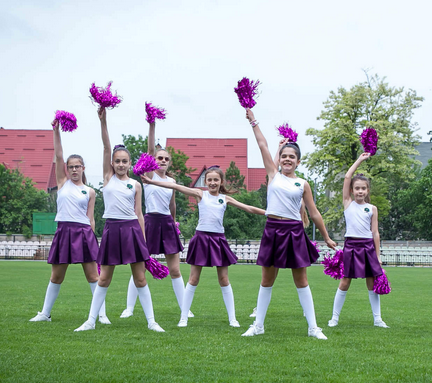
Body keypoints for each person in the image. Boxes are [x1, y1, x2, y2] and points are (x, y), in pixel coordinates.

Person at [241, 108, 337, 339]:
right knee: (266, 280)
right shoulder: (273, 175)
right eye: (284, 155)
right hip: (273, 230)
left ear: (298, 161)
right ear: (280, 158)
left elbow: (314, 213)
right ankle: (259, 326)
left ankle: (313, 328)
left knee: (301, 280)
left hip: (294, 232)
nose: (287, 159)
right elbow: (263, 145)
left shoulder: (303, 184)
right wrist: (254, 121)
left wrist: (326, 236)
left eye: (291, 157)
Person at [74, 107, 164, 332]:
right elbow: (106, 146)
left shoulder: (135, 184)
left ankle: (152, 322)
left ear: (130, 163)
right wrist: (103, 122)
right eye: (117, 161)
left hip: (133, 231)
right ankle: (91, 321)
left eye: (125, 161)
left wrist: (143, 241)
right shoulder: (108, 178)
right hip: (112, 230)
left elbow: (139, 214)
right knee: (103, 279)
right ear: (112, 163)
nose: (121, 164)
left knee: (140, 279)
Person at [143, 166, 265, 327]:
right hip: (201, 238)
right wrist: (152, 182)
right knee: (193, 279)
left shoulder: (225, 199)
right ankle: (183, 317)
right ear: (205, 182)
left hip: (219, 240)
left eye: (216, 180)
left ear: (221, 182)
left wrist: (268, 213)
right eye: (209, 180)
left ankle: (232, 318)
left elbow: (248, 208)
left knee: (224, 279)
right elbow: (175, 186)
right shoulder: (200, 194)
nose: (213, 183)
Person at [30, 118, 109, 324]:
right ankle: (45, 314)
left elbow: (90, 219)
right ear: (67, 168)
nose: (74, 170)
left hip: (83, 233)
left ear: (83, 168)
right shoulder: (62, 183)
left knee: (93, 276)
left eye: (78, 166)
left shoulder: (90, 191)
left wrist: (93, 241)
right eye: (71, 166)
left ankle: (101, 315)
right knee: (56, 276)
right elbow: (58, 155)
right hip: (64, 232)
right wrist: (56, 131)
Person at [120, 114, 193, 320]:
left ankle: (184, 308)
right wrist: (152, 125)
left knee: (176, 270)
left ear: (170, 163)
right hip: (150, 222)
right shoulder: (149, 176)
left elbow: (172, 205)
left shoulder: (172, 180)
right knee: (140, 266)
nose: (162, 160)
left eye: (166, 159)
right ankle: (129, 308)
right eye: (159, 158)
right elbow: (150, 150)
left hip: (167, 224)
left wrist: (175, 224)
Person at [327, 152, 388, 328]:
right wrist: (360, 160)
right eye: (357, 188)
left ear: (367, 190)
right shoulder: (348, 203)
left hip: (368, 247)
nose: (360, 191)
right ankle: (334, 318)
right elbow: (347, 177)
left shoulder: (372, 208)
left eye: (363, 188)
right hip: (351, 246)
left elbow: (375, 233)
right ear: (352, 191)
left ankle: (377, 319)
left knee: (371, 283)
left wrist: (377, 255)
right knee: (345, 281)